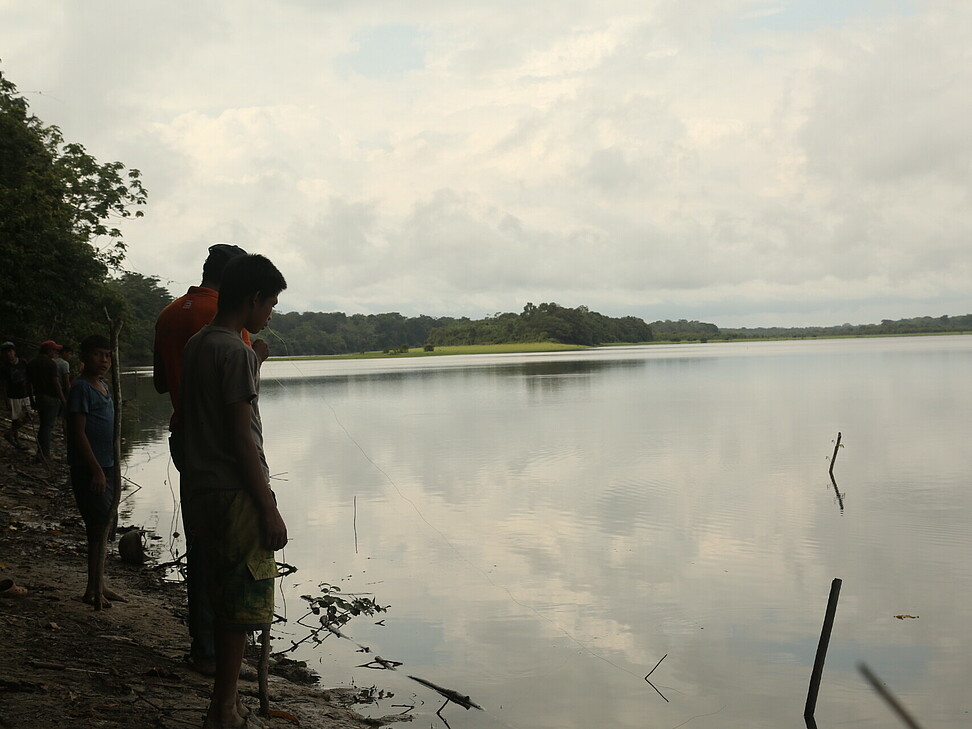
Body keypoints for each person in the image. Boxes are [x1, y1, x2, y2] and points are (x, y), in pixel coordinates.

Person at [181, 254, 287, 729]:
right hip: (235, 493)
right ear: (252, 299)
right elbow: (241, 437)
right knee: (240, 604)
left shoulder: (197, 345)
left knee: (219, 592)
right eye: (271, 304)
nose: (270, 314)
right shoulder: (237, 352)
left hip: (201, 487)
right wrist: (267, 506)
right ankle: (224, 707)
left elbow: (185, 422)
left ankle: (228, 704)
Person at [153, 243, 269, 674]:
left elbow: (162, 384)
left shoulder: (169, 315)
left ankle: (203, 646)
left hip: (186, 439)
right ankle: (223, 657)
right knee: (234, 553)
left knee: (202, 542)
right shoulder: (227, 324)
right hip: (226, 450)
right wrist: (255, 359)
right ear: (240, 286)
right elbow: (237, 407)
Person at [65, 335, 126, 607]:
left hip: (109, 465)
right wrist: (96, 471)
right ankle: (92, 589)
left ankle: (99, 583)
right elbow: (77, 433)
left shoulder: (103, 386)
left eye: (108, 355)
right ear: (84, 357)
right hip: (90, 469)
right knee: (97, 526)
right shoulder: (80, 388)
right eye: (98, 355)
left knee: (106, 525)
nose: (103, 361)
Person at [27, 340, 65, 462]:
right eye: (54, 350)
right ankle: (45, 454)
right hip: (51, 398)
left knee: (43, 425)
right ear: (48, 351)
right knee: (47, 426)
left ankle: (41, 452)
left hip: (39, 397)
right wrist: (63, 400)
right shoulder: (51, 364)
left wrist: (32, 399)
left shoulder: (32, 363)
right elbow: (56, 384)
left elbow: (28, 384)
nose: (55, 353)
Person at [1, 341, 33, 449]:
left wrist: (31, 394)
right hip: (13, 396)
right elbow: (4, 385)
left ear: (14, 351)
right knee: (15, 419)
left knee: (28, 416)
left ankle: (10, 433)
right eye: (6, 352)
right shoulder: (5, 367)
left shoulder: (23, 362)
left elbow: (29, 379)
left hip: (24, 394)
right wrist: (6, 401)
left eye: (10, 351)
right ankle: (16, 442)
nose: (8, 354)